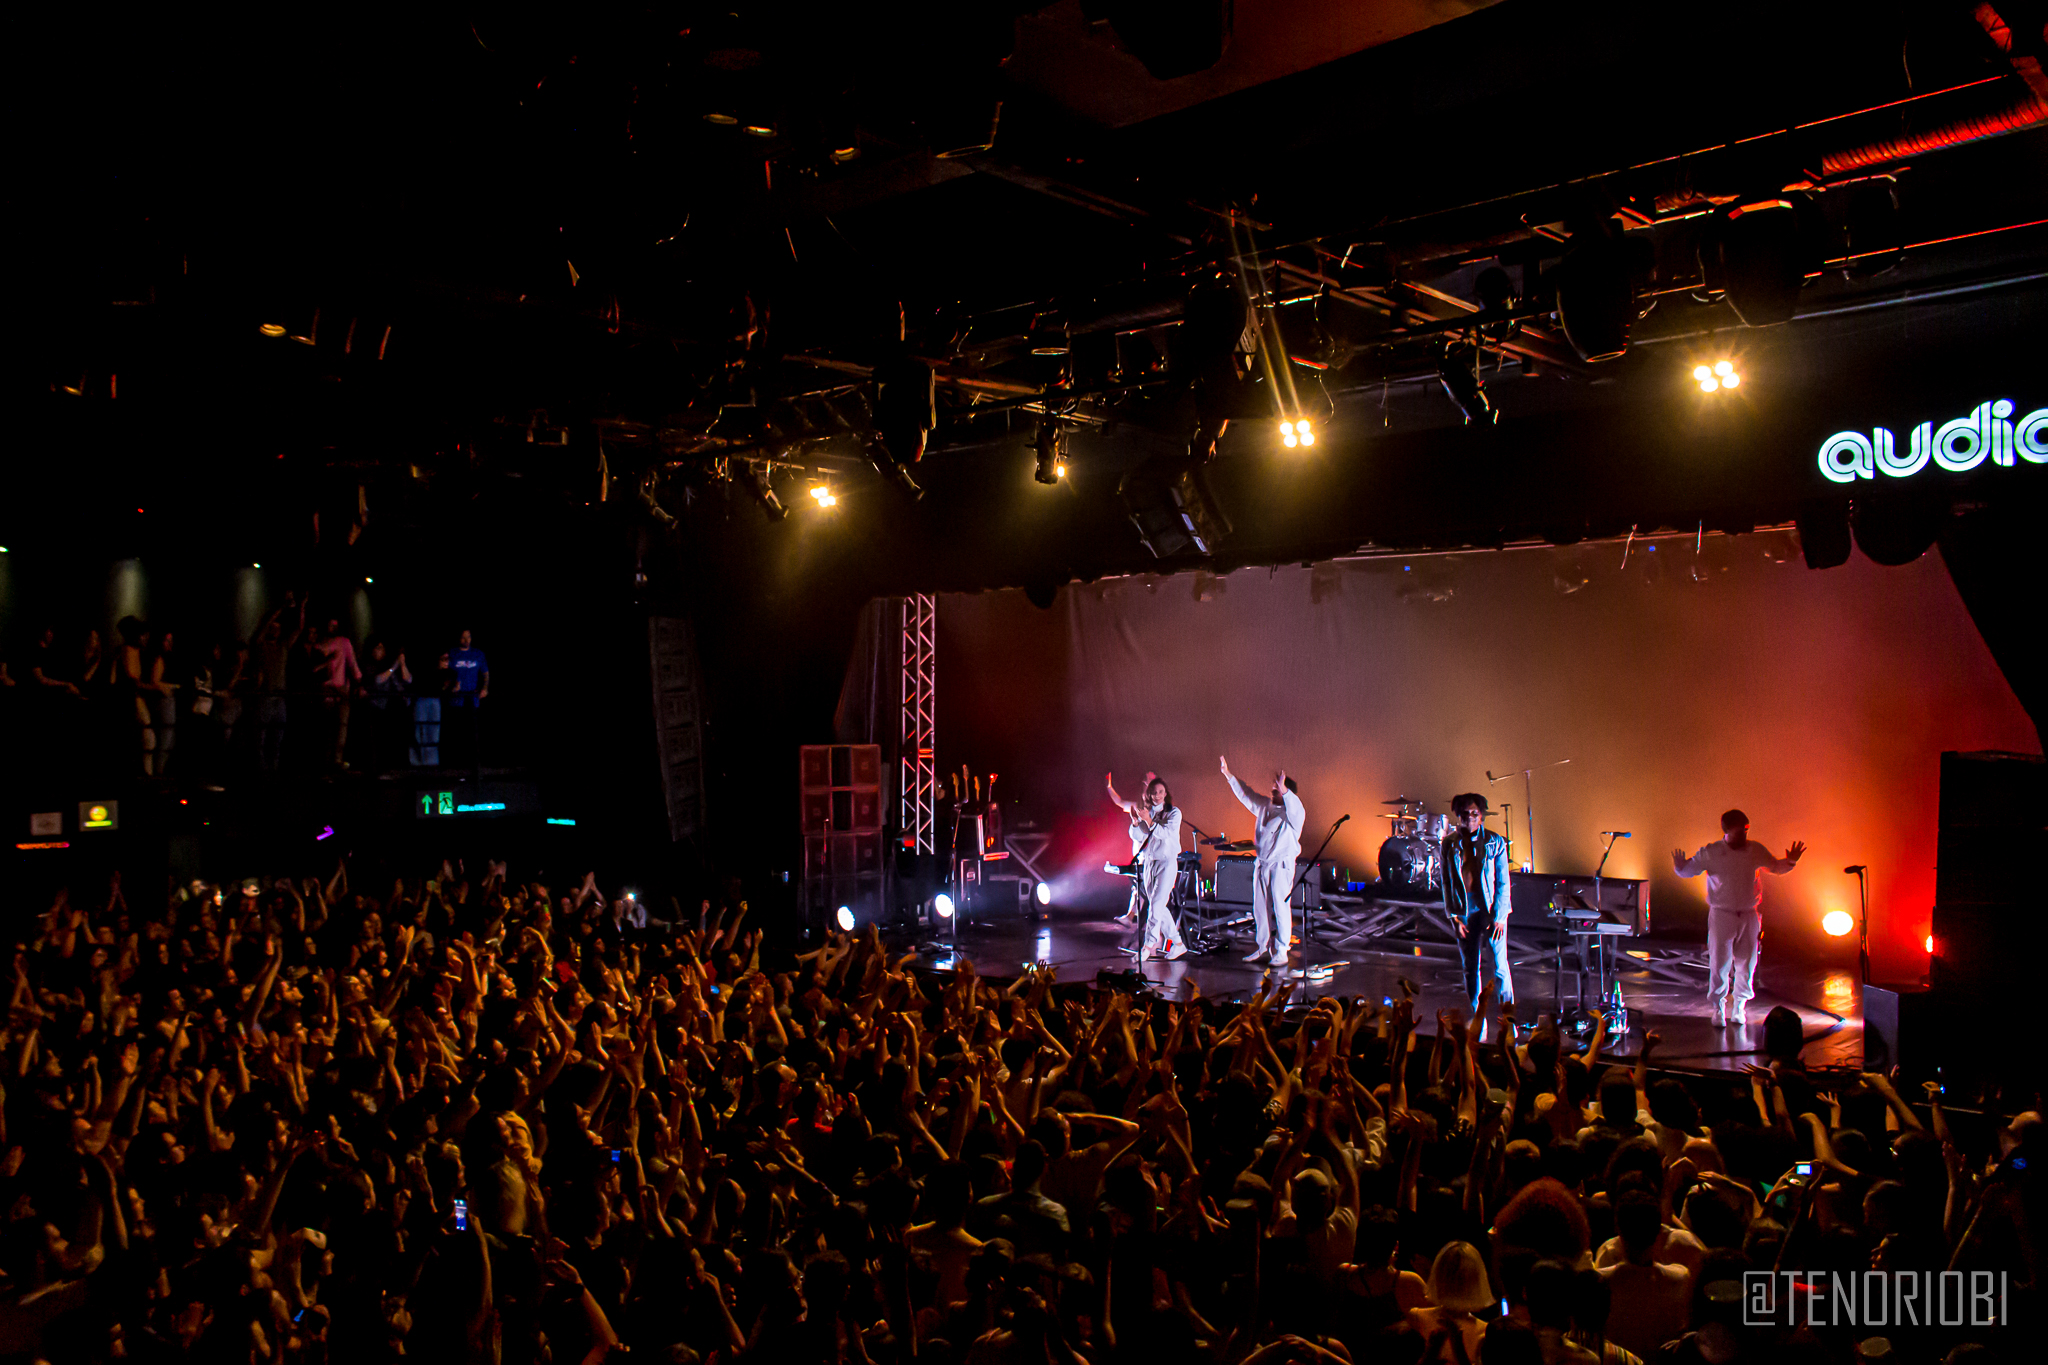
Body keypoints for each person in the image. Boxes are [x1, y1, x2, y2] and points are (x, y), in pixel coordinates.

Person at [1672, 809, 1805, 1027]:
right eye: (1739, 831)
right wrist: (1679, 867)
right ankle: (1718, 1009)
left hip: (1749, 914)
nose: (1744, 835)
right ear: (1726, 830)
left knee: (1747, 963)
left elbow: (1775, 867)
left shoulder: (1755, 849)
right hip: (1722, 914)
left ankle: (1739, 1007)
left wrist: (1790, 861)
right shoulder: (1712, 852)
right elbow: (1688, 871)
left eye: (1746, 830)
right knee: (1719, 963)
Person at [1221, 755, 1305, 966]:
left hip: (1281, 865)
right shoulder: (1265, 806)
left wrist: (1285, 790)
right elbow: (1246, 795)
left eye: (1277, 790)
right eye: (1273, 789)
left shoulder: (1292, 814)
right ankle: (1263, 947)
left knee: (1280, 906)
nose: (1273, 792)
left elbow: (1296, 807)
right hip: (1263, 863)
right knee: (1260, 907)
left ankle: (1282, 950)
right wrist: (1228, 775)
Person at [1443, 792, 1514, 1027]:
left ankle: (1508, 1018)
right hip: (1465, 911)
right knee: (1470, 968)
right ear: (1458, 816)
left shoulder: (1495, 842)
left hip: (1490, 909)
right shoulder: (1449, 844)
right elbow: (1446, 882)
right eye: (1465, 813)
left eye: (1475, 813)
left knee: (1500, 965)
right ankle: (1477, 1020)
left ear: (1482, 815)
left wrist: (1500, 917)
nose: (1470, 818)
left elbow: (1503, 882)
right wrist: (1454, 917)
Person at [1106, 771, 1186, 959]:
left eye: (1160, 792)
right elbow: (1138, 836)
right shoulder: (1147, 812)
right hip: (1149, 863)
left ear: (1165, 793)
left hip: (1166, 863)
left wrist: (1149, 821)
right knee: (1159, 907)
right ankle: (1178, 943)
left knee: (1156, 905)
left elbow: (1165, 833)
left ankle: (1147, 947)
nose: (1157, 795)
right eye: (1154, 792)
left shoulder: (1174, 813)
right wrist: (1135, 823)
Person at [310, 615, 362, 769]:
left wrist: (358, 682)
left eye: (335, 625)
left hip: (341, 691)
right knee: (328, 728)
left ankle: (337, 760)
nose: (333, 628)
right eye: (331, 625)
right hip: (325, 691)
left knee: (341, 727)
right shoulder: (318, 644)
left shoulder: (344, 642)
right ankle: (326, 762)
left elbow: (353, 664)